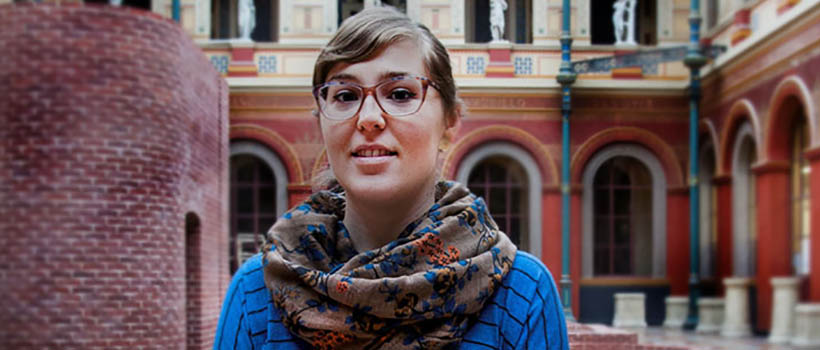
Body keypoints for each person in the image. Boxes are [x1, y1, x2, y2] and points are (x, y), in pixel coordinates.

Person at [214, 7, 568, 350]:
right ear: (320, 120)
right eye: (345, 96)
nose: (369, 118)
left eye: (400, 94)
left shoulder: (521, 292)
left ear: (450, 123)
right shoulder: (257, 292)